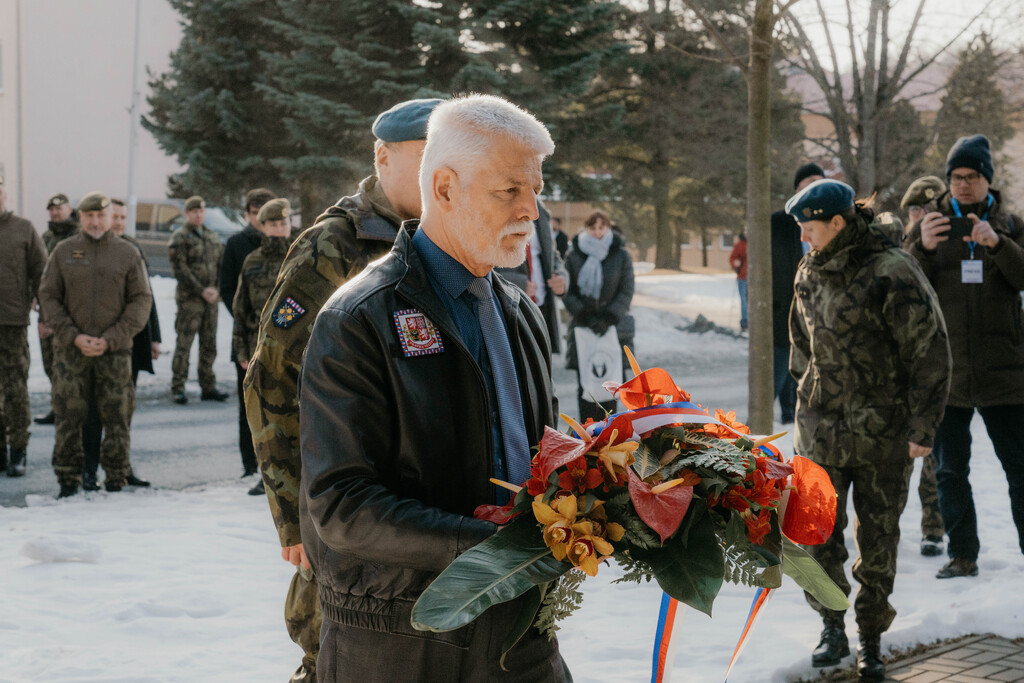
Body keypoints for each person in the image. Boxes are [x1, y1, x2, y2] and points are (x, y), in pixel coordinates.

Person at [298, 94, 569, 681]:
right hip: (402, 638)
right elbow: (340, 506)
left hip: (520, 627)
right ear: (444, 188)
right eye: (510, 191)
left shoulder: (519, 311)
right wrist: (486, 546)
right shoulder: (360, 316)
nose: (532, 210)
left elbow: (540, 454)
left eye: (536, 191)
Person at [243, 97, 442, 682]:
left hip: (411, 501)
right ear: (383, 157)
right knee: (332, 647)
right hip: (341, 501)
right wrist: (293, 516)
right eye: (427, 156)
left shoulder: (442, 240)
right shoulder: (335, 246)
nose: (442, 172)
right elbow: (271, 380)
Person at [787, 179, 951, 680]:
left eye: (809, 229)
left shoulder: (892, 270)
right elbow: (800, 344)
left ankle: (871, 638)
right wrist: (809, 396)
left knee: (877, 543)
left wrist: (922, 426)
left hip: (883, 437)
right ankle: (831, 627)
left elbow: (931, 351)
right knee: (818, 541)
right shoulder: (809, 269)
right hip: (820, 437)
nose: (803, 240)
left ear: (837, 224)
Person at [904, 134, 1024, 580]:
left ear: (987, 180)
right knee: (951, 471)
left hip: (1006, 371)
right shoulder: (930, 224)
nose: (963, 184)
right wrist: (922, 247)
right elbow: (904, 284)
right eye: (956, 177)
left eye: (972, 176)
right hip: (948, 373)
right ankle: (962, 555)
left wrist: (998, 245)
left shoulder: (1011, 223)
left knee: (1020, 469)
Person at [38, 192, 152, 498]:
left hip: (114, 351)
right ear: (81, 218)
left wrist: (112, 338)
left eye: (101, 216)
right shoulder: (64, 251)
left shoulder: (127, 253)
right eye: (89, 216)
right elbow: (48, 296)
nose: (96, 221)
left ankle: (116, 476)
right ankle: (68, 478)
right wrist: (72, 335)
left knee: (117, 415)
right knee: (68, 415)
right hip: (71, 350)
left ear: (108, 217)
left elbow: (141, 299)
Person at [81, 198, 158, 490]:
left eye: (123, 218)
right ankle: (90, 469)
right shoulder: (96, 249)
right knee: (92, 412)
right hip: (102, 344)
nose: (118, 222)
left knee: (122, 412)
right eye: (115, 217)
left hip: (132, 343)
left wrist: (155, 338)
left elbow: (147, 300)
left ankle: (121, 467)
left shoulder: (132, 249)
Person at [231, 198, 294, 496]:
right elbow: (240, 310)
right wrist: (242, 353)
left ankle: (302, 477)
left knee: (299, 415)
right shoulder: (252, 261)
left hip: (297, 351)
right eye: (273, 224)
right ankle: (269, 476)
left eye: (284, 223)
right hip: (262, 352)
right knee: (266, 418)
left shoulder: (303, 255)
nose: (279, 229)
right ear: (263, 226)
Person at [900, 175, 949, 557]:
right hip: (902, 370)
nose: (923, 216)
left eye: (930, 209)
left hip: (936, 367)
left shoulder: (954, 243)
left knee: (934, 456)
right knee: (899, 459)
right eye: (917, 210)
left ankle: (933, 527)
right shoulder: (903, 248)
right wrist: (921, 245)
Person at [221, 187, 275, 477]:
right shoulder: (236, 244)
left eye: (264, 213)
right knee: (248, 406)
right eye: (254, 213)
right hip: (246, 337)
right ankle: (249, 465)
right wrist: (247, 319)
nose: (259, 218)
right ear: (247, 214)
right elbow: (227, 287)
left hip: (281, 336)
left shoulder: (286, 242)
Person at [562, 210, 634, 422]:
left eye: (601, 228)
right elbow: (567, 290)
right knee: (586, 384)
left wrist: (609, 317)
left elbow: (627, 288)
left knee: (612, 384)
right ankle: (587, 436)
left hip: (613, 327)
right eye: (592, 228)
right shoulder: (574, 255)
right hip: (583, 326)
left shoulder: (620, 255)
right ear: (586, 228)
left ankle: (610, 435)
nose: (597, 232)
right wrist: (584, 315)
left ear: (608, 228)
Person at [0, 175, 47, 476]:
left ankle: (19, 450)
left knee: (16, 390)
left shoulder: (23, 229)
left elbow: (42, 271)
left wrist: (37, 301)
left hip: (13, 323)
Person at [770, 163, 823, 425]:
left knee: (806, 371)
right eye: (808, 184)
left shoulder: (831, 225)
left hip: (818, 312)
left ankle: (792, 414)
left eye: (819, 183)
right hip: (782, 311)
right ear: (796, 189)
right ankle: (777, 416)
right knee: (778, 369)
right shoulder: (777, 223)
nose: (813, 189)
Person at [169, 195, 227, 405]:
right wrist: (201, 290)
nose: (198, 214)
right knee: (184, 344)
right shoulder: (180, 237)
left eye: (201, 211)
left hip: (211, 300)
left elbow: (222, 266)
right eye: (194, 211)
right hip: (190, 300)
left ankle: (208, 386)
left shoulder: (212, 236)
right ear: (187, 213)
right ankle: (178, 387)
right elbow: (180, 269)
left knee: (209, 344)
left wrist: (216, 289)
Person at [495, 199, 568, 352]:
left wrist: (562, 277)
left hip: (542, 307)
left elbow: (553, 255)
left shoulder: (540, 208)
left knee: (542, 366)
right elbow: (482, 260)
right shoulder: (497, 205)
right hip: (512, 308)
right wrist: (518, 284)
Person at [34, 193, 81, 425]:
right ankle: (57, 406)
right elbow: (38, 274)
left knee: (68, 363)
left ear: (69, 209)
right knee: (49, 361)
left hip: (70, 312)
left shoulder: (78, 237)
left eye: (59, 208)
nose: (55, 213)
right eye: (51, 210)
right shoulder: (45, 238)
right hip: (46, 308)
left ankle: (70, 410)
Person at [729, 232, 748, 332]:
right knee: (744, 300)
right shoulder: (739, 245)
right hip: (742, 277)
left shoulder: (757, 242)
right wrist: (735, 266)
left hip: (754, 278)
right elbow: (733, 258)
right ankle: (745, 322)